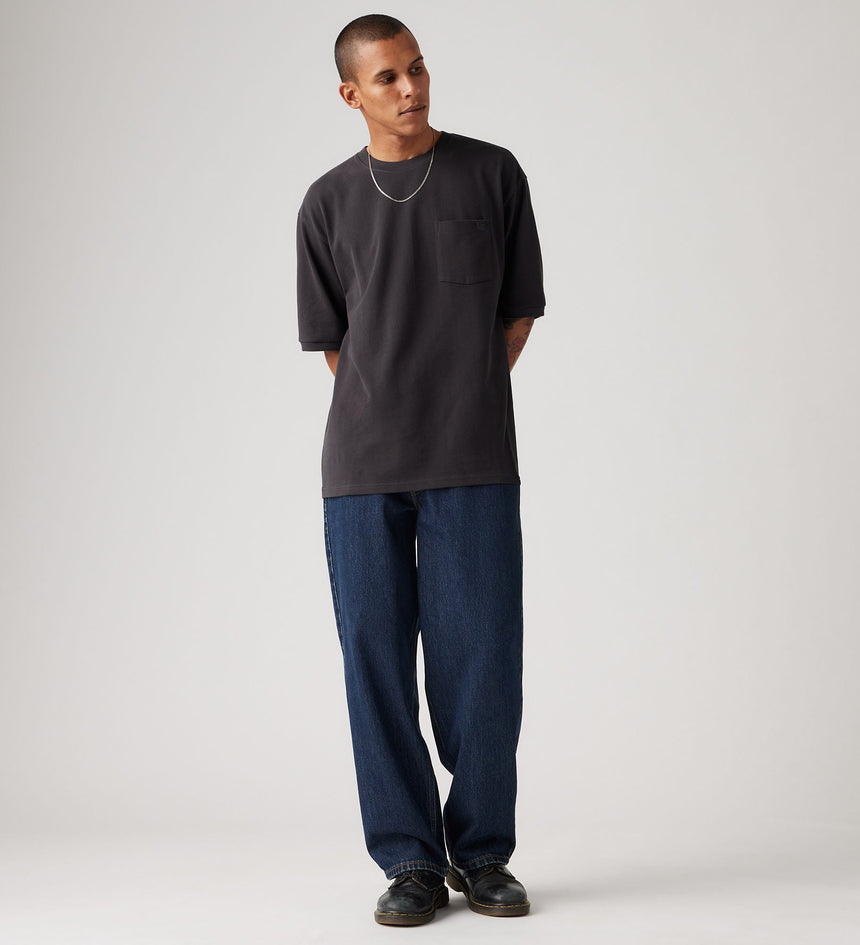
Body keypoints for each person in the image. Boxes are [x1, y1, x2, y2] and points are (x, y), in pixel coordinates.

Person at [296, 13, 545, 927]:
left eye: (418, 68)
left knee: (483, 658)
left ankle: (483, 852)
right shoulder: (326, 202)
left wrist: (460, 395)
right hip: (361, 468)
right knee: (376, 664)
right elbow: (336, 345)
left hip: (474, 457)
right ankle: (408, 859)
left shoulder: (493, 174)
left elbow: (517, 314)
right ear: (351, 94)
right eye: (388, 77)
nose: (411, 88)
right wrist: (391, 407)